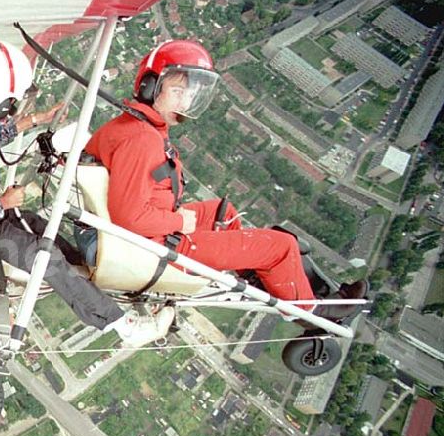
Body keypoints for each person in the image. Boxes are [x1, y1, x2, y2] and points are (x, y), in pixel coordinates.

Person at [0, 38, 173, 346]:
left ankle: (94, 284)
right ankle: (122, 326)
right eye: (11, 105)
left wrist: (36, 120)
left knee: (40, 227)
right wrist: (1, 202)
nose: (10, 111)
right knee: (41, 257)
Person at [84, 39, 365, 320]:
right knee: (281, 246)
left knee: (223, 213)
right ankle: (312, 312)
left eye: (188, 94)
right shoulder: (141, 139)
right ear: (149, 87)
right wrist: (179, 221)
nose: (184, 102)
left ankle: (266, 279)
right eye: (177, 91)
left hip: (154, 229)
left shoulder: (135, 125)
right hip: (158, 245)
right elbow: (130, 219)